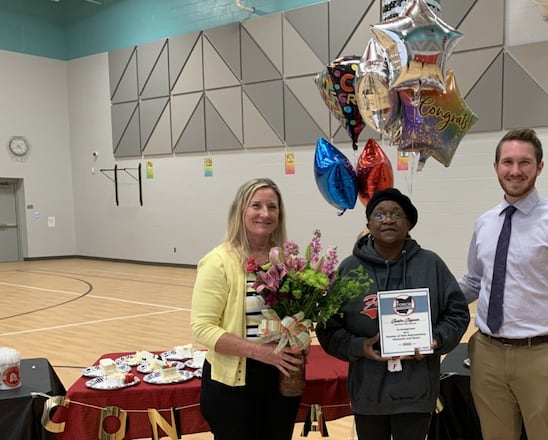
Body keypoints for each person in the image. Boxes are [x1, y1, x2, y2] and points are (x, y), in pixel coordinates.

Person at [458, 128, 548, 440]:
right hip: (488, 353)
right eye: (507, 162)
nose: (515, 170)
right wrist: (428, 300)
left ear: (539, 167)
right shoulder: (485, 223)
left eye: (525, 162)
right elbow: (474, 280)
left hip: (543, 355)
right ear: (496, 167)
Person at [317, 187, 470, 440]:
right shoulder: (350, 268)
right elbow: (328, 327)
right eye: (379, 214)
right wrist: (359, 347)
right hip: (368, 392)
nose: (388, 219)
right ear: (368, 224)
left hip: (416, 391)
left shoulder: (430, 264)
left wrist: (435, 340)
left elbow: (457, 314)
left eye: (396, 214)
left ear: (409, 224)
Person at [191, 178, 303, 440]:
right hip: (233, 386)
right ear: (240, 211)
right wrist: (262, 353)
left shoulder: (287, 261)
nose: (265, 213)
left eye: (272, 207)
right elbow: (202, 328)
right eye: (256, 206)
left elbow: (297, 316)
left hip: (281, 378)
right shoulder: (219, 261)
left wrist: (299, 338)